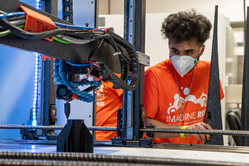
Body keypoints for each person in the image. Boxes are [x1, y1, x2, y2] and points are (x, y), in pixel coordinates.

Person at [144, 9, 224, 144]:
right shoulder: (154, 75)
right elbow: (147, 125)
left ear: (201, 50)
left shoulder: (208, 71)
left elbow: (213, 114)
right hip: (162, 152)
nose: (180, 58)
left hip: (197, 151)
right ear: (168, 46)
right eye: (174, 51)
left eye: (189, 52)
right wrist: (184, 130)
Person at [95, 74, 123, 141]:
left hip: (109, 138)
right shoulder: (82, 78)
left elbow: (131, 101)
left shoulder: (114, 77)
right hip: (87, 136)